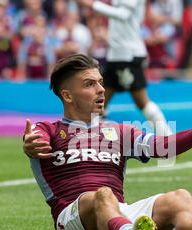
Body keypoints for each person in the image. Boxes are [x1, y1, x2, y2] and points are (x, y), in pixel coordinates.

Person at [22, 54, 192, 230]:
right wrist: (32, 144)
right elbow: (34, 139)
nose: (101, 90)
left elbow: (161, 146)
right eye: (89, 84)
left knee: (179, 197)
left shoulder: (119, 131)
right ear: (67, 96)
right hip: (75, 224)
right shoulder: (48, 130)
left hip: (117, 218)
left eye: (100, 82)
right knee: (101, 194)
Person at [73, 0, 173, 137]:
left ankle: (168, 139)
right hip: (116, 55)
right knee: (99, 100)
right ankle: (98, 141)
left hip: (127, 56)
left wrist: (92, 5)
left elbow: (123, 14)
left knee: (141, 101)